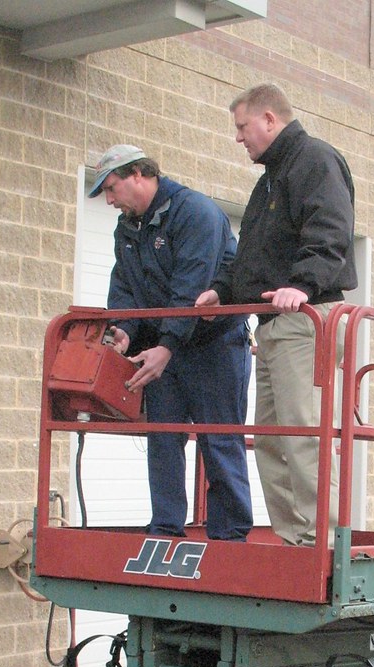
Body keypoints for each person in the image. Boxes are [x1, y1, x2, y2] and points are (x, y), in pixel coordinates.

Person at [195, 84, 357, 546]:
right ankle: (295, 539)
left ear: (269, 119)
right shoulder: (270, 178)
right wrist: (222, 292)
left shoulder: (314, 160)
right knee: (270, 439)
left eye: (242, 126)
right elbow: (254, 254)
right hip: (272, 325)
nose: (238, 137)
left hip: (305, 319)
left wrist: (301, 284)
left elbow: (331, 231)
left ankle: (322, 543)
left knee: (303, 434)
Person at [89, 144, 253, 540]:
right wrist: (124, 330)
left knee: (219, 438)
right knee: (162, 437)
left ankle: (230, 537)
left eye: (111, 189)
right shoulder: (127, 228)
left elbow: (192, 286)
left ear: (139, 175)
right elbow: (124, 286)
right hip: (165, 347)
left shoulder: (195, 212)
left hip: (213, 345)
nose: (109, 200)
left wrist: (167, 345)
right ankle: (165, 529)